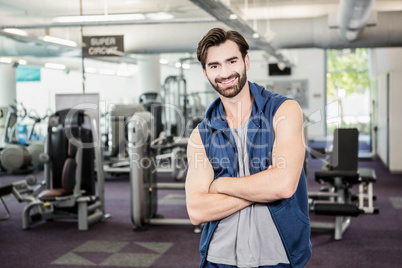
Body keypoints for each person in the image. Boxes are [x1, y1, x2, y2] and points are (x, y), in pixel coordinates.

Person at [185, 28, 312, 268]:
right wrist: (263, 189)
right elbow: (197, 210)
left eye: (231, 61)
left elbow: (283, 185)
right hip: (218, 258)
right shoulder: (200, 135)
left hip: (278, 257)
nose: (224, 73)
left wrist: (220, 185)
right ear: (205, 72)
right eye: (214, 66)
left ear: (246, 61)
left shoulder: (284, 111)